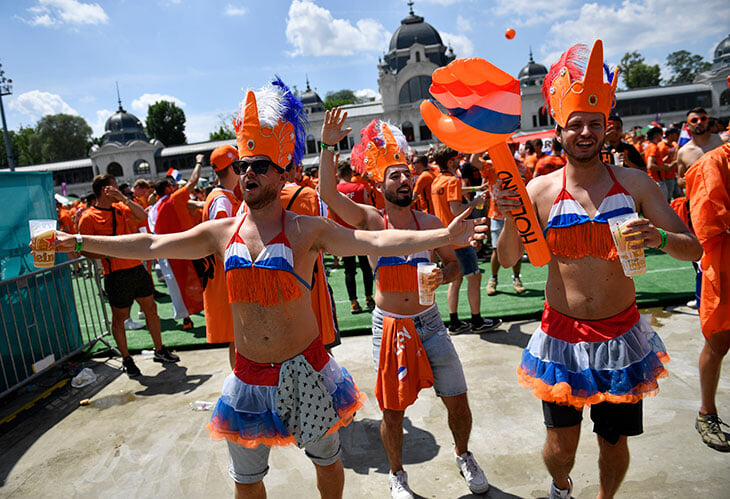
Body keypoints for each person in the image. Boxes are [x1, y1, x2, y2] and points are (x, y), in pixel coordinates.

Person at [51, 79, 487, 499]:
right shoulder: (220, 232)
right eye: (244, 167)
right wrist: (80, 241)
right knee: (246, 480)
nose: (249, 173)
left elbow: (374, 240)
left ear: (282, 176)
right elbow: (150, 243)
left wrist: (443, 237)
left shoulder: (306, 230)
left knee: (327, 463)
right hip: (248, 379)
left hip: (308, 372)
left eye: (260, 166)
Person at [495, 40, 702, 499]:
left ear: (607, 128)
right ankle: (562, 486)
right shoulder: (540, 189)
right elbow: (509, 259)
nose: (585, 132)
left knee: (613, 441)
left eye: (594, 124)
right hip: (560, 339)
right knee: (560, 447)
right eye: (575, 125)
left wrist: (660, 238)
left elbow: (693, 248)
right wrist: (510, 214)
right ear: (559, 131)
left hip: (622, 339)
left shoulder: (635, 183)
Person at [318, 114, 491, 498]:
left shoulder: (429, 220)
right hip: (389, 327)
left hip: (429, 322)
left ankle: (464, 455)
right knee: (392, 412)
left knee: (457, 399)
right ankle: (397, 474)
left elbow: (452, 263)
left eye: (406, 173)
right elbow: (327, 195)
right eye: (394, 175)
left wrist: (442, 277)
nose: (404, 180)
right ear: (379, 185)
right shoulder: (369, 220)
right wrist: (329, 146)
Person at [77, 174, 180, 377]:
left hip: (136, 268)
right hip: (116, 273)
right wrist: (109, 253)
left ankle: (159, 350)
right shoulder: (88, 217)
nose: (119, 189)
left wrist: (123, 199)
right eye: (114, 186)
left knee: (151, 308)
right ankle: (127, 358)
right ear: (105, 189)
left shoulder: (120, 207)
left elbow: (141, 216)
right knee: (120, 317)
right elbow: (84, 248)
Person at [686, 142, 730, 452]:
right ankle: (707, 412)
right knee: (719, 341)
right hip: (725, 267)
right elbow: (708, 224)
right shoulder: (713, 162)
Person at [430, 145, 501, 334]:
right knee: (474, 277)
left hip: (444, 238)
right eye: (457, 159)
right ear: (451, 161)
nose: (460, 162)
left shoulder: (437, 181)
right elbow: (456, 210)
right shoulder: (452, 180)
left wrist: (475, 188)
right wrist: (475, 203)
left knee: (456, 279)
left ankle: (454, 322)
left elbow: (450, 195)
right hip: (458, 238)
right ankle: (477, 320)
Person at [149, 157, 204, 329]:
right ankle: (206, 314)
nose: (176, 186)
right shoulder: (172, 199)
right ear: (167, 188)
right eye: (172, 185)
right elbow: (193, 181)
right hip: (182, 249)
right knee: (194, 281)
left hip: (167, 252)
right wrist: (198, 162)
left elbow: (192, 205)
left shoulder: (157, 206)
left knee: (178, 286)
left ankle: (186, 318)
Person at [201, 144, 242, 369]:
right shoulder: (222, 200)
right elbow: (223, 242)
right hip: (227, 277)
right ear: (234, 167)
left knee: (236, 336)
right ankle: (241, 382)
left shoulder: (221, 197)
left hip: (223, 275)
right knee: (237, 336)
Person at [470, 152, 530, 296]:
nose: (507, 148)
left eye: (510, 146)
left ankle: (516, 279)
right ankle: (493, 279)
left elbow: (530, 186)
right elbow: (473, 160)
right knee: (497, 250)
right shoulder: (490, 165)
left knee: (516, 249)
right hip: (497, 214)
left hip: (518, 214)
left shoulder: (521, 166)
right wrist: (484, 143)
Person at [334, 160, 375, 313]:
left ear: (338, 174)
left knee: (349, 270)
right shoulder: (360, 187)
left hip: (344, 234)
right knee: (366, 268)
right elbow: (366, 208)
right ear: (350, 173)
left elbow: (332, 212)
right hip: (361, 233)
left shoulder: (334, 190)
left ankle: (354, 302)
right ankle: (369, 298)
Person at [677, 108, 726, 188]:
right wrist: (682, 182)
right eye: (694, 120)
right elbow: (680, 178)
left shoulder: (723, 141)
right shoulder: (683, 152)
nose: (699, 122)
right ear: (688, 126)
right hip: (701, 198)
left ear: (707, 121)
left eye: (703, 119)